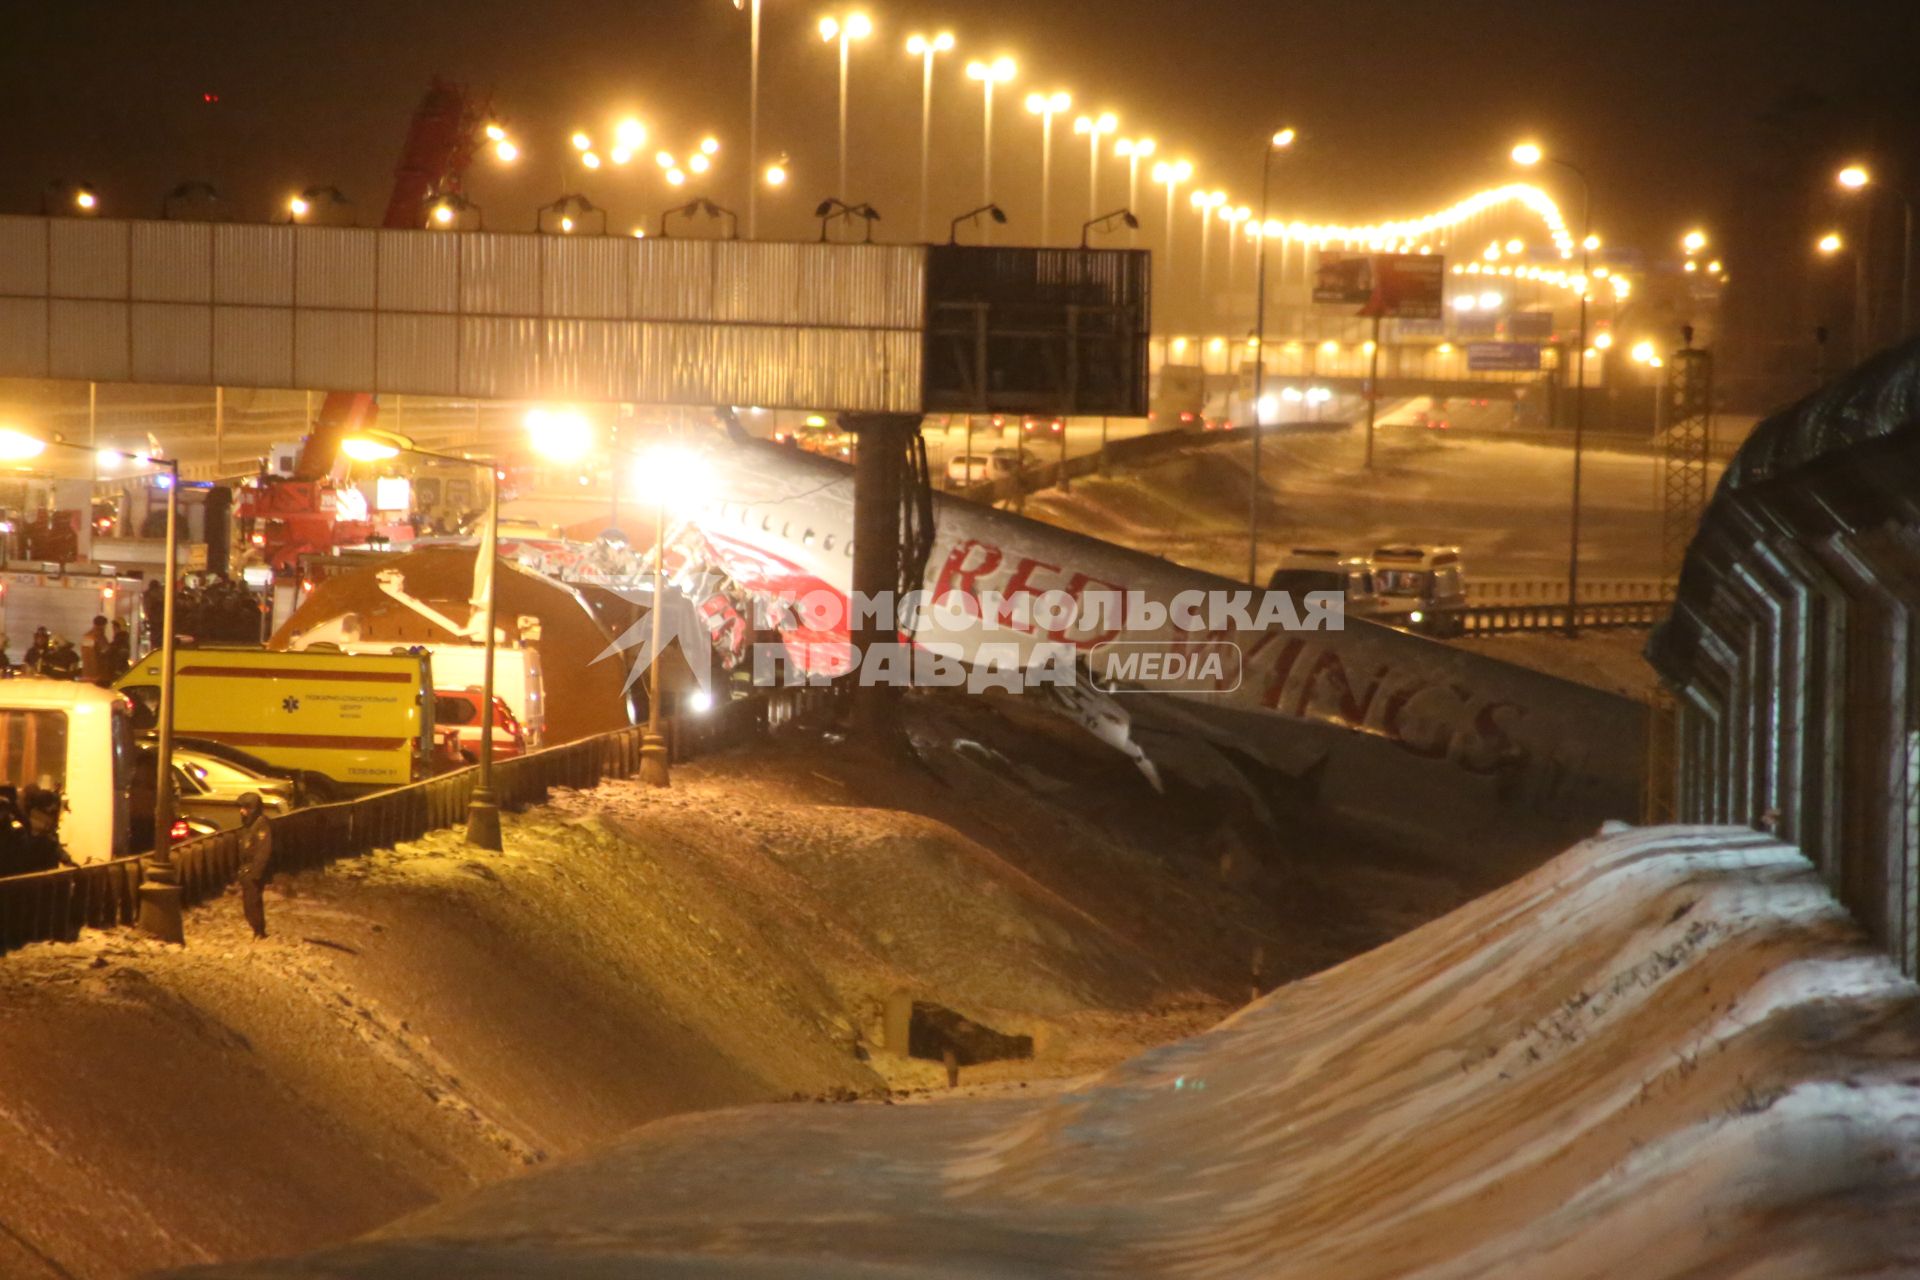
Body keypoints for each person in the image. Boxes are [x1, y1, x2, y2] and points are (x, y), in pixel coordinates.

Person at [235, 792, 273, 939]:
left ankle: (259, 931)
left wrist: (255, 873)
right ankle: (256, 929)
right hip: (247, 870)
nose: (241, 811)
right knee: (248, 903)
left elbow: (263, 851)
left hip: (253, 872)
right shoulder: (248, 825)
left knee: (253, 902)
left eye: (245, 808)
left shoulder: (261, 825)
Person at [17, 786, 71, 873]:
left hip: (43, 875)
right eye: (51, 812)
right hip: (34, 876)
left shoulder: (44, 831)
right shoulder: (28, 830)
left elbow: (53, 846)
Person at [80, 615, 109, 680]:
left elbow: (84, 653)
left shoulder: (87, 636)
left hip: (87, 673)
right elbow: (105, 651)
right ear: (103, 625)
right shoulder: (99, 637)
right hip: (96, 674)